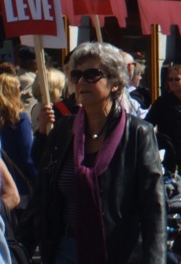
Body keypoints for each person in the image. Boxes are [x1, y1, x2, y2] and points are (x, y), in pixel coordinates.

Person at [25, 41, 166, 263]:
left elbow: (154, 208)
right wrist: (19, 248)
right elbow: (43, 191)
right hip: (66, 250)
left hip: (119, 252)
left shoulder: (139, 133)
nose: (81, 81)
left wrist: (155, 259)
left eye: (92, 74)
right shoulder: (64, 129)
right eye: (76, 75)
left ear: (115, 83)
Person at [145, 64, 181, 171]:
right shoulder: (163, 102)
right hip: (172, 151)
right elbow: (148, 123)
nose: (173, 82)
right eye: (170, 80)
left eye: (177, 79)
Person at [0, 74, 36, 209]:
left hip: (3, 186)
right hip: (20, 186)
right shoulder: (19, 118)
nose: (22, 91)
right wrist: (38, 180)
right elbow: (28, 155)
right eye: (19, 88)